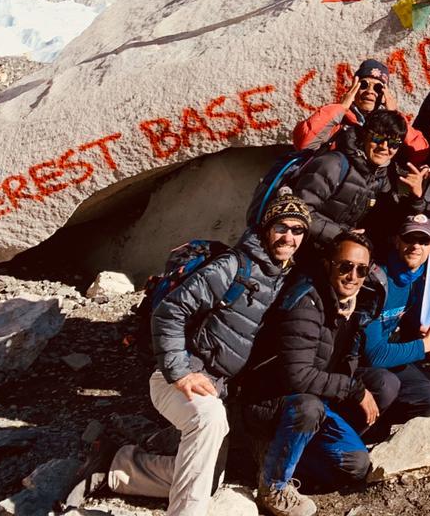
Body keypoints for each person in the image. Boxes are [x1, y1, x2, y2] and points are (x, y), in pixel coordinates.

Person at [75, 192, 312, 516]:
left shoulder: (283, 278)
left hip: (218, 389)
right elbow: (169, 312)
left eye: (297, 230)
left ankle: (121, 467)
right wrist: (181, 371)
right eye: (282, 227)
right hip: (175, 377)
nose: (289, 237)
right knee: (209, 420)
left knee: (207, 478)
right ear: (267, 228)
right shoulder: (233, 266)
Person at [240, 233, 401, 514]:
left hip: (317, 396)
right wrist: (353, 389)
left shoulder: (354, 304)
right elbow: (297, 377)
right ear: (328, 265)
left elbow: (346, 359)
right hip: (272, 401)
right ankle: (273, 484)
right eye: (345, 266)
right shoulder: (306, 304)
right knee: (309, 407)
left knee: (356, 464)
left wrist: (355, 387)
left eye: (361, 270)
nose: (353, 276)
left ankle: (277, 454)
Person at [358, 213, 430, 422]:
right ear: (397, 241)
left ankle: (380, 432)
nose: (416, 246)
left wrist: (423, 334)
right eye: (409, 238)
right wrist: (424, 345)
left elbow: (412, 326)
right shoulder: (375, 281)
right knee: (387, 384)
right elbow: (375, 356)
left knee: (429, 399)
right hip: (356, 362)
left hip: (386, 356)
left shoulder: (424, 280)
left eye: (423, 240)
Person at [288, 109, 399, 262]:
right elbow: (299, 212)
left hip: (342, 258)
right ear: (364, 135)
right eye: (378, 138)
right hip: (305, 256)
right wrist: (342, 235)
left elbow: (389, 222)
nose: (385, 147)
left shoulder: (380, 178)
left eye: (394, 143)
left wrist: (417, 197)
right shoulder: (334, 164)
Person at [290, 58, 405, 151]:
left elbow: (416, 154)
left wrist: (395, 117)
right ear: (353, 88)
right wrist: (342, 108)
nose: (370, 91)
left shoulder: (388, 123)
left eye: (378, 88)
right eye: (363, 85)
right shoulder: (336, 121)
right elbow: (303, 144)